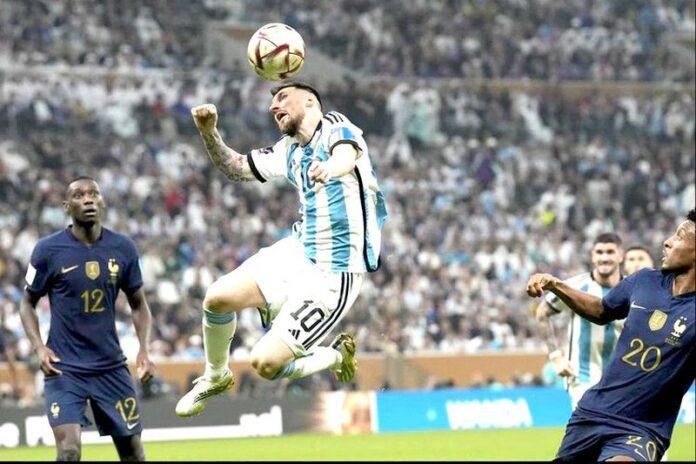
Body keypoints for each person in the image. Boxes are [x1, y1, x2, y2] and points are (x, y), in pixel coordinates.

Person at [175, 81, 387, 417]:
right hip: (299, 251)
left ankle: (335, 355)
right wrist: (208, 132)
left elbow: (345, 156)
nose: (275, 106)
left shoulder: (336, 126)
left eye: (283, 97)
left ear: (310, 101)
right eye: (273, 101)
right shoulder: (288, 149)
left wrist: (329, 168)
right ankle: (215, 376)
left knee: (265, 363)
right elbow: (236, 167)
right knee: (216, 298)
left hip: (335, 272)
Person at [526, 209, 695, 462]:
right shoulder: (644, 280)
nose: (667, 241)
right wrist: (555, 284)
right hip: (592, 413)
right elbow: (601, 310)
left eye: (679, 237)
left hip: (642, 429)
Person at [19, 177, 155, 461]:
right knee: (69, 452)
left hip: (110, 367)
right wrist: (39, 347)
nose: (88, 199)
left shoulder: (123, 248)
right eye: (79, 195)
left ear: (102, 201)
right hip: (64, 369)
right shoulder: (47, 250)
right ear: (66, 206)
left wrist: (144, 349)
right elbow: (27, 303)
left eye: (94, 193)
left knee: (134, 454)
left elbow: (139, 304)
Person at [534, 233, 624, 409]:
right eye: (599, 252)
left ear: (621, 255)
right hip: (583, 377)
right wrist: (555, 356)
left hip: (621, 378)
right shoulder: (575, 286)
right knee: (593, 421)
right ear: (592, 256)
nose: (604, 257)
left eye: (610, 252)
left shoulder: (631, 288)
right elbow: (542, 312)